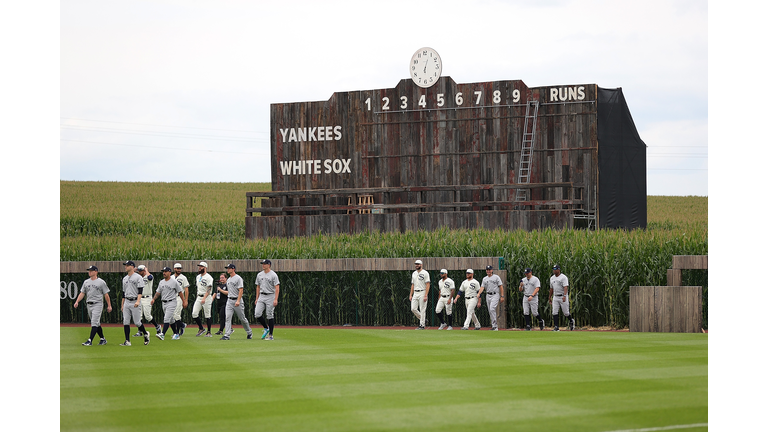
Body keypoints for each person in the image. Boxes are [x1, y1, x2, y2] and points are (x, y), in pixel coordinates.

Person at [73, 265, 112, 346]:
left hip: (97, 304)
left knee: (94, 322)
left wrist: (109, 305)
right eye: (89, 271)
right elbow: (82, 293)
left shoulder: (101, 282)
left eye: (91, 271)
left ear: (96, 272)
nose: (89, 272)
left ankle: (90, 340)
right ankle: (102, 339)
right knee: (96, 323)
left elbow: (106, 294)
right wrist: (77, 301)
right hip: (89, 304)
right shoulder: (86, 282)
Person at [120, 261, 150, 346]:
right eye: (125, 265)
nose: (126, 267)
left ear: (132, 267)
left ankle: (145, 333)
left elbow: (140, 290)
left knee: (137, 322)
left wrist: (138, 301)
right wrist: (122, 304)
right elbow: (123, 293)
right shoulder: (125, 278)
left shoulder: (138, 277)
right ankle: (127, 341)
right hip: (127, 301)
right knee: (126, 321)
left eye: (127, 265)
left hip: (135, 301)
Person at [221, 263, 253, 340]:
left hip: (237, 300)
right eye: (227, 268)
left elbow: (241, 290)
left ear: (233, 269)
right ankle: (227, 335)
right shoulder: (229, 279)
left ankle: (249, 332)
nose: (228, 269)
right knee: (228, 317)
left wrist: (238, 301)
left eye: (229, 268)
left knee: (242, 318)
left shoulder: (238, 278)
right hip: (229, 300)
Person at [151, 266, 183, 340]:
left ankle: (162, 334)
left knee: (166, 318)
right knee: (171, 320)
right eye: (163, 271)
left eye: (165, 271)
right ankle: (176, 334)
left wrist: (184, 301)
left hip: (172, 302)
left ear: (170, 273)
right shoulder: (161, 282)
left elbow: (180, 292)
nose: (164, 273)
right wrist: (153, 299)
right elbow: (158, 292)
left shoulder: (174, 282)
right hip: (164, 302)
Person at [254, 259, 280, 340]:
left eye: (265, 264)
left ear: (269, 265)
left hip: (270, 295)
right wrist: (257, 298)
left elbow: (277, 287)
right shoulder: (259, 275)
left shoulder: (273, 275)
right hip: (262, 295)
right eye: (263, 264)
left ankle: (270, 335)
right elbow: (258, 287)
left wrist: (275, 299)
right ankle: (266, 328)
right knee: (257, 313)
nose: (263, 265)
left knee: (269, 315)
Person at [134, 265, 161, 337]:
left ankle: (157, 326)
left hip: (147, 298)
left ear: (144, 270)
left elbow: (150, 278)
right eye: (139, 271)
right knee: (139, 316)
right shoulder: (138, 277)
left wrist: (146, 270)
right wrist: (134, 270)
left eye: (141, 270)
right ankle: (140, 331)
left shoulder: (149, 276)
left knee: (147, 316)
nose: (139, 272)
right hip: (140, 298)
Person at [549, 265, 575, 331]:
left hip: (562, 296)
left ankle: (571, 321)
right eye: (553, 269)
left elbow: (565, 287)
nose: (554, 270)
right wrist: (550, 297)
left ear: (559, 270)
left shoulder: (563, 277)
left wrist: (564, 296)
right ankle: (556, 327)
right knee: (554, 312)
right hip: (555, 296)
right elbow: (551, 288)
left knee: (566, 312)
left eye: (555, 269)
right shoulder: (552, 278)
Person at [192, 261, 215, 337]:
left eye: (201, 266)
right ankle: (201, 328)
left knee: (207, 315)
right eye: (199, 266)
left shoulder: (209, 277)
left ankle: (209, 332)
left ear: (205, 268)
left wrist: (204, 298)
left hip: (207, 297)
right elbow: (198, 288)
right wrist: (197, 297)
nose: (199, 268)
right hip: (199, 296)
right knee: (194, 314)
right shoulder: (198, 277)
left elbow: (209, 289)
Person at [409, 259, 431, 329]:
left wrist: (426, 295)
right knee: (413, 308)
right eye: (416, 264)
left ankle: (422, 325)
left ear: (421, 265)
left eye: (418, 264)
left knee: (422, 309)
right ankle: (423, 320)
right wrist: (410, 294)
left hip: (422, 292)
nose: (417, 265)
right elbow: (413, 285)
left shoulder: (425, 273)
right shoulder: (414, 273)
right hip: (415, 292)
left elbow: (428, 284)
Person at [482, 265, 505, 331]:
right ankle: (493, 326)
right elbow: (482, 287)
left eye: (489, 270)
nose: (488, 271)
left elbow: (501, 286)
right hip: (488, 294)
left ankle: (495, 326)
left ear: (492, 270)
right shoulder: (484, 278)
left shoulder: (496, 277)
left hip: (495, 294)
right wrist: (479, 293)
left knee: (492, 309)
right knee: (490, 310)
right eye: (487, 270)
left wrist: (502, 296)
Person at [172, 263, 189, 337]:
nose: (179, 270)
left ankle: (177, 332)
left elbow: (186, 289)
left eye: (180, 268)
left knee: (177, 315)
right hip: (172, 298)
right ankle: (182, 325)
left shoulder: (183, 278)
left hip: (179, 297)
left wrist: (185, 300)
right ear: (174, 269)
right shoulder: (171, 277)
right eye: (177, 268)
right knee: (172, 315)